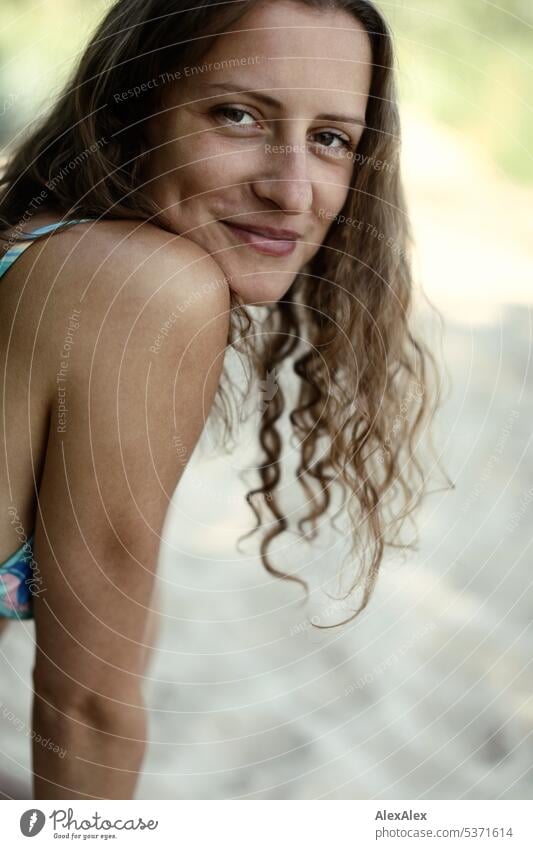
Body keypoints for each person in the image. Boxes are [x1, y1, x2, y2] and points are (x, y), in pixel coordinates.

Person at [0, 0, 447, 800]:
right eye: (238, 115)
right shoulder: (145, 287)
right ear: (134, 106)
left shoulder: (37, 247)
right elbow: (86, 705)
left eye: (330, 139)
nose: (290, 189)